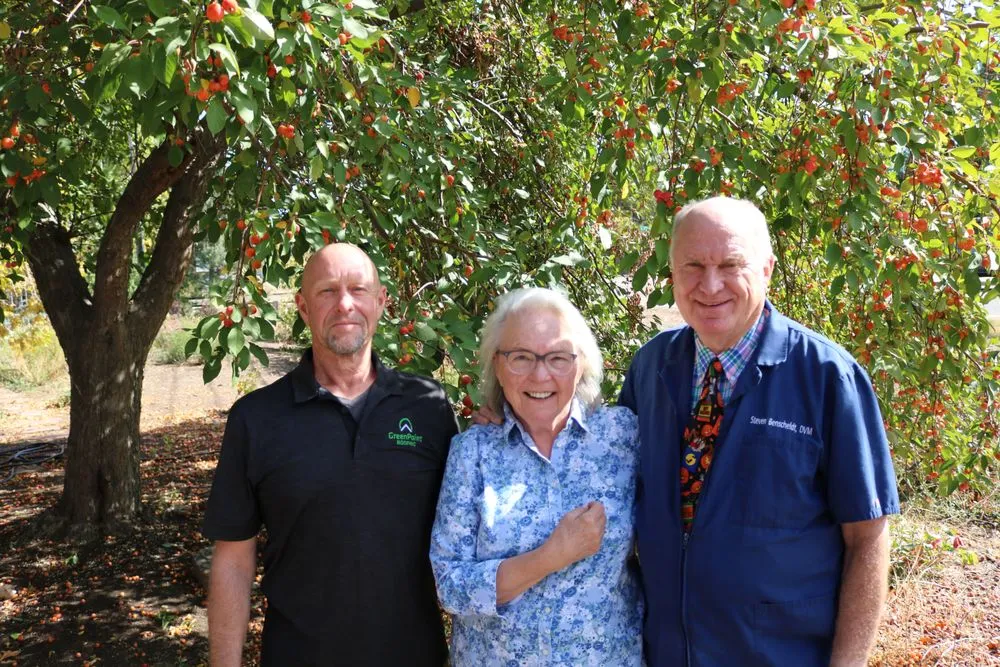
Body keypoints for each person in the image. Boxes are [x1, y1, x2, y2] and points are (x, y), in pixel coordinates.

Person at [620, 196, 900, 666]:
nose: (710, 285)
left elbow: (868, 538)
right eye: (692, 265)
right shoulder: (651, 367)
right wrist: (512, 416)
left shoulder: (828, 378)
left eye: (731, 264)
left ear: (767, 270)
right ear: (671, 272)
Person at [202, 243, 458, 667]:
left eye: (358, 290)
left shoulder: (428, 406)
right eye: (327, 291)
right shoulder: (257, 418)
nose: (344, 305)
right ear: (303, 307)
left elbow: (469, 527)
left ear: (381, 303)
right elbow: (232, 560)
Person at [430, 287, 644, 666]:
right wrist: (549, 557)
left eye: (558, 357)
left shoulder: (623, 437)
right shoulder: (473, 453)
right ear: (497, 365)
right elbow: (449, 584)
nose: (540, 374)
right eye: (521, 357)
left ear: (581, 364)